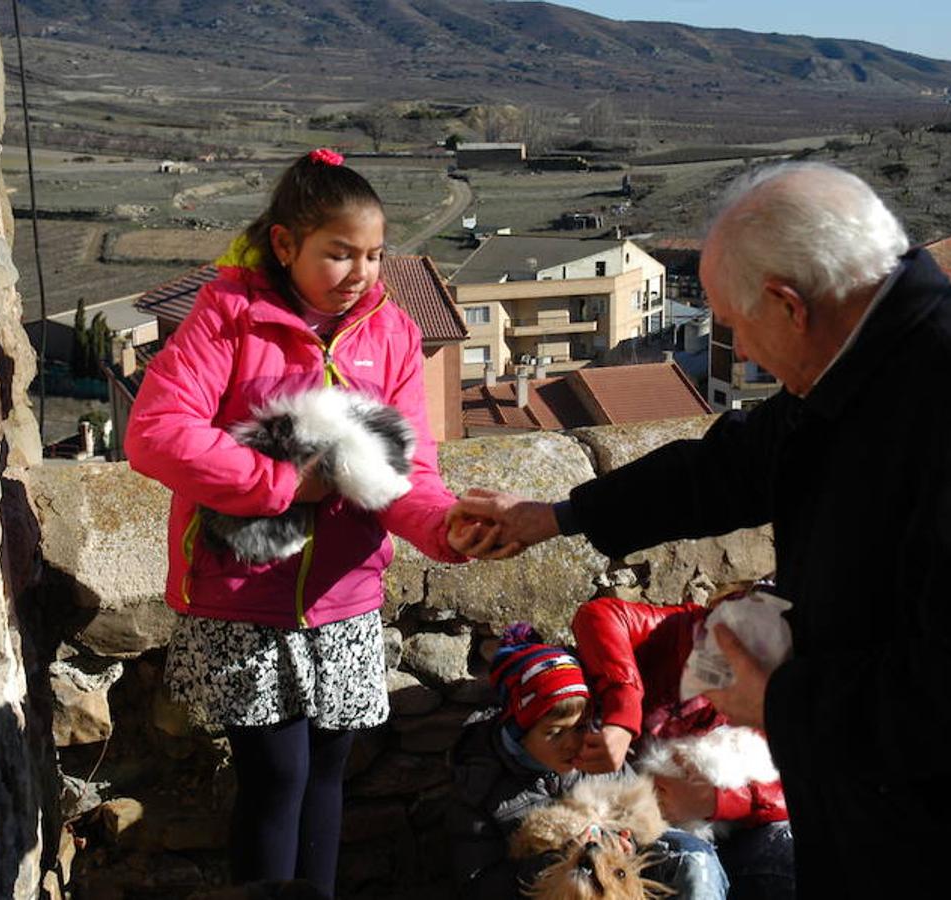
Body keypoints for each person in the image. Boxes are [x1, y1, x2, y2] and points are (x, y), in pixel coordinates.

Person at [457, 162, 951, 896]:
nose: (739, 351)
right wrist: (556, 516)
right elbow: (740, 461)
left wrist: (782, 702)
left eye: (737, 326)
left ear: (788, 304)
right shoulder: (876, 361)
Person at [125, 148, 508, 894]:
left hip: (344, 597)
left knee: (329, 772)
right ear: (284, 244)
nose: (361, 271)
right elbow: (157, 432)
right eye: (339, 253)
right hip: (244, 594)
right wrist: (280, 481)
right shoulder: (229, 318)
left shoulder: (391, 334)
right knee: (277, 774)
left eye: (372, 254)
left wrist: (442, 527)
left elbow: (404, 471)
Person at [447, 625, 729, 899]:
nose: (572, 743)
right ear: (518, 732)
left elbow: (643, 815)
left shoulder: (597, 757)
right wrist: (560, 860)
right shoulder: (481, 786)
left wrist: (624, 842)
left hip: (615, 880)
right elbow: (480, 885)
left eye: (580, 727)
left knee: (693, 859)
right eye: (555, 733)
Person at [572, 592, 793, 899]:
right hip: (647, 825)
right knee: (696, 867)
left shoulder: (785, 687)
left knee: (793, 852)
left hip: (731, 827)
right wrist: (623, 716)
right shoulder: (676, 631)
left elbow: (803, 782)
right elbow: (597, 615)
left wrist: (716, 801)